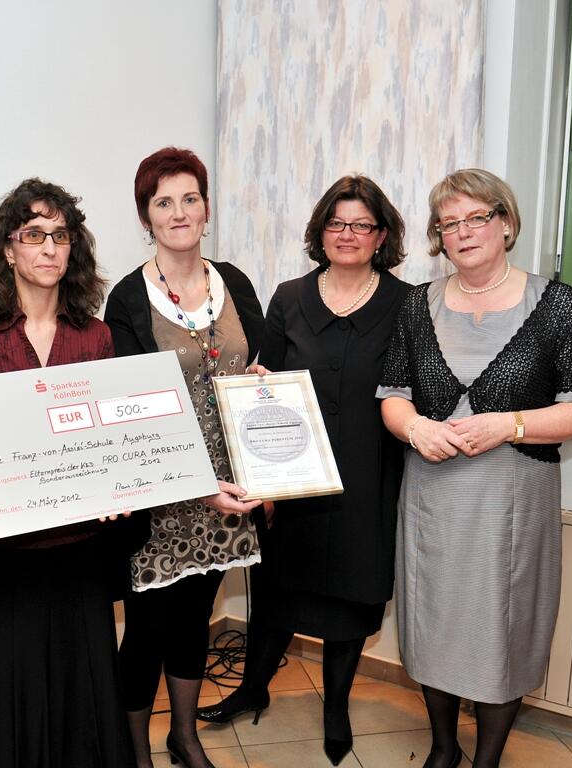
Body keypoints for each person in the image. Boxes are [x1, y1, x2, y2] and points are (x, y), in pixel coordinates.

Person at [377, 168, 572, 768]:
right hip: (432, 500)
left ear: (506, 222)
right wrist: (415, 426)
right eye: (448, 224)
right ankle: (444, 749)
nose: (462, 232)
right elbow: (391, 394)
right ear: (438, 237)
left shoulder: (554, 304)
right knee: (435, 624)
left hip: (514, 502)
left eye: (476, 218)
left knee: (505, 629)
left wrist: (510, 424)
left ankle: (488, 758)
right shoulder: (418, 304)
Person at [198, 175, 410, 766]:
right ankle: (250, 688)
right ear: (320, 232)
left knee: (350, 600)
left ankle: (336, 708)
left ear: (380, 236)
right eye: (336, 224)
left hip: (367, 478)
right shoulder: (289, 297)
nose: (347, 234)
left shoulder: (405, 302)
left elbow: (410, 388)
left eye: (361, 225)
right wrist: (260, 389)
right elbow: (267, 379)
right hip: (291, 482)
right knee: (277, 593)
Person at [0, 178, 143, 767]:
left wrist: (121, 483)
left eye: (61, 235)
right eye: (35, 235)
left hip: (80, 549)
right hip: (4, 554)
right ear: (8, 249)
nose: (50, 248)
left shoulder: (97, 335)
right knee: (9, 684)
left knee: (82, 687)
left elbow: (110, 439)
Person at [104, 147, 264, 768]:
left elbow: (255, 368)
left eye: (189, 198)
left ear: (205, 206)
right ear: (146, 216)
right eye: (163, 202)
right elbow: (127, 406)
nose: (179, 212)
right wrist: (187, 477)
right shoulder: (127, 298)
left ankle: (185, 734)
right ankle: (135, 748)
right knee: (147, 625)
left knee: (198, 614)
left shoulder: (235, 282)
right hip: (162, 486)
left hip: (227, 487)